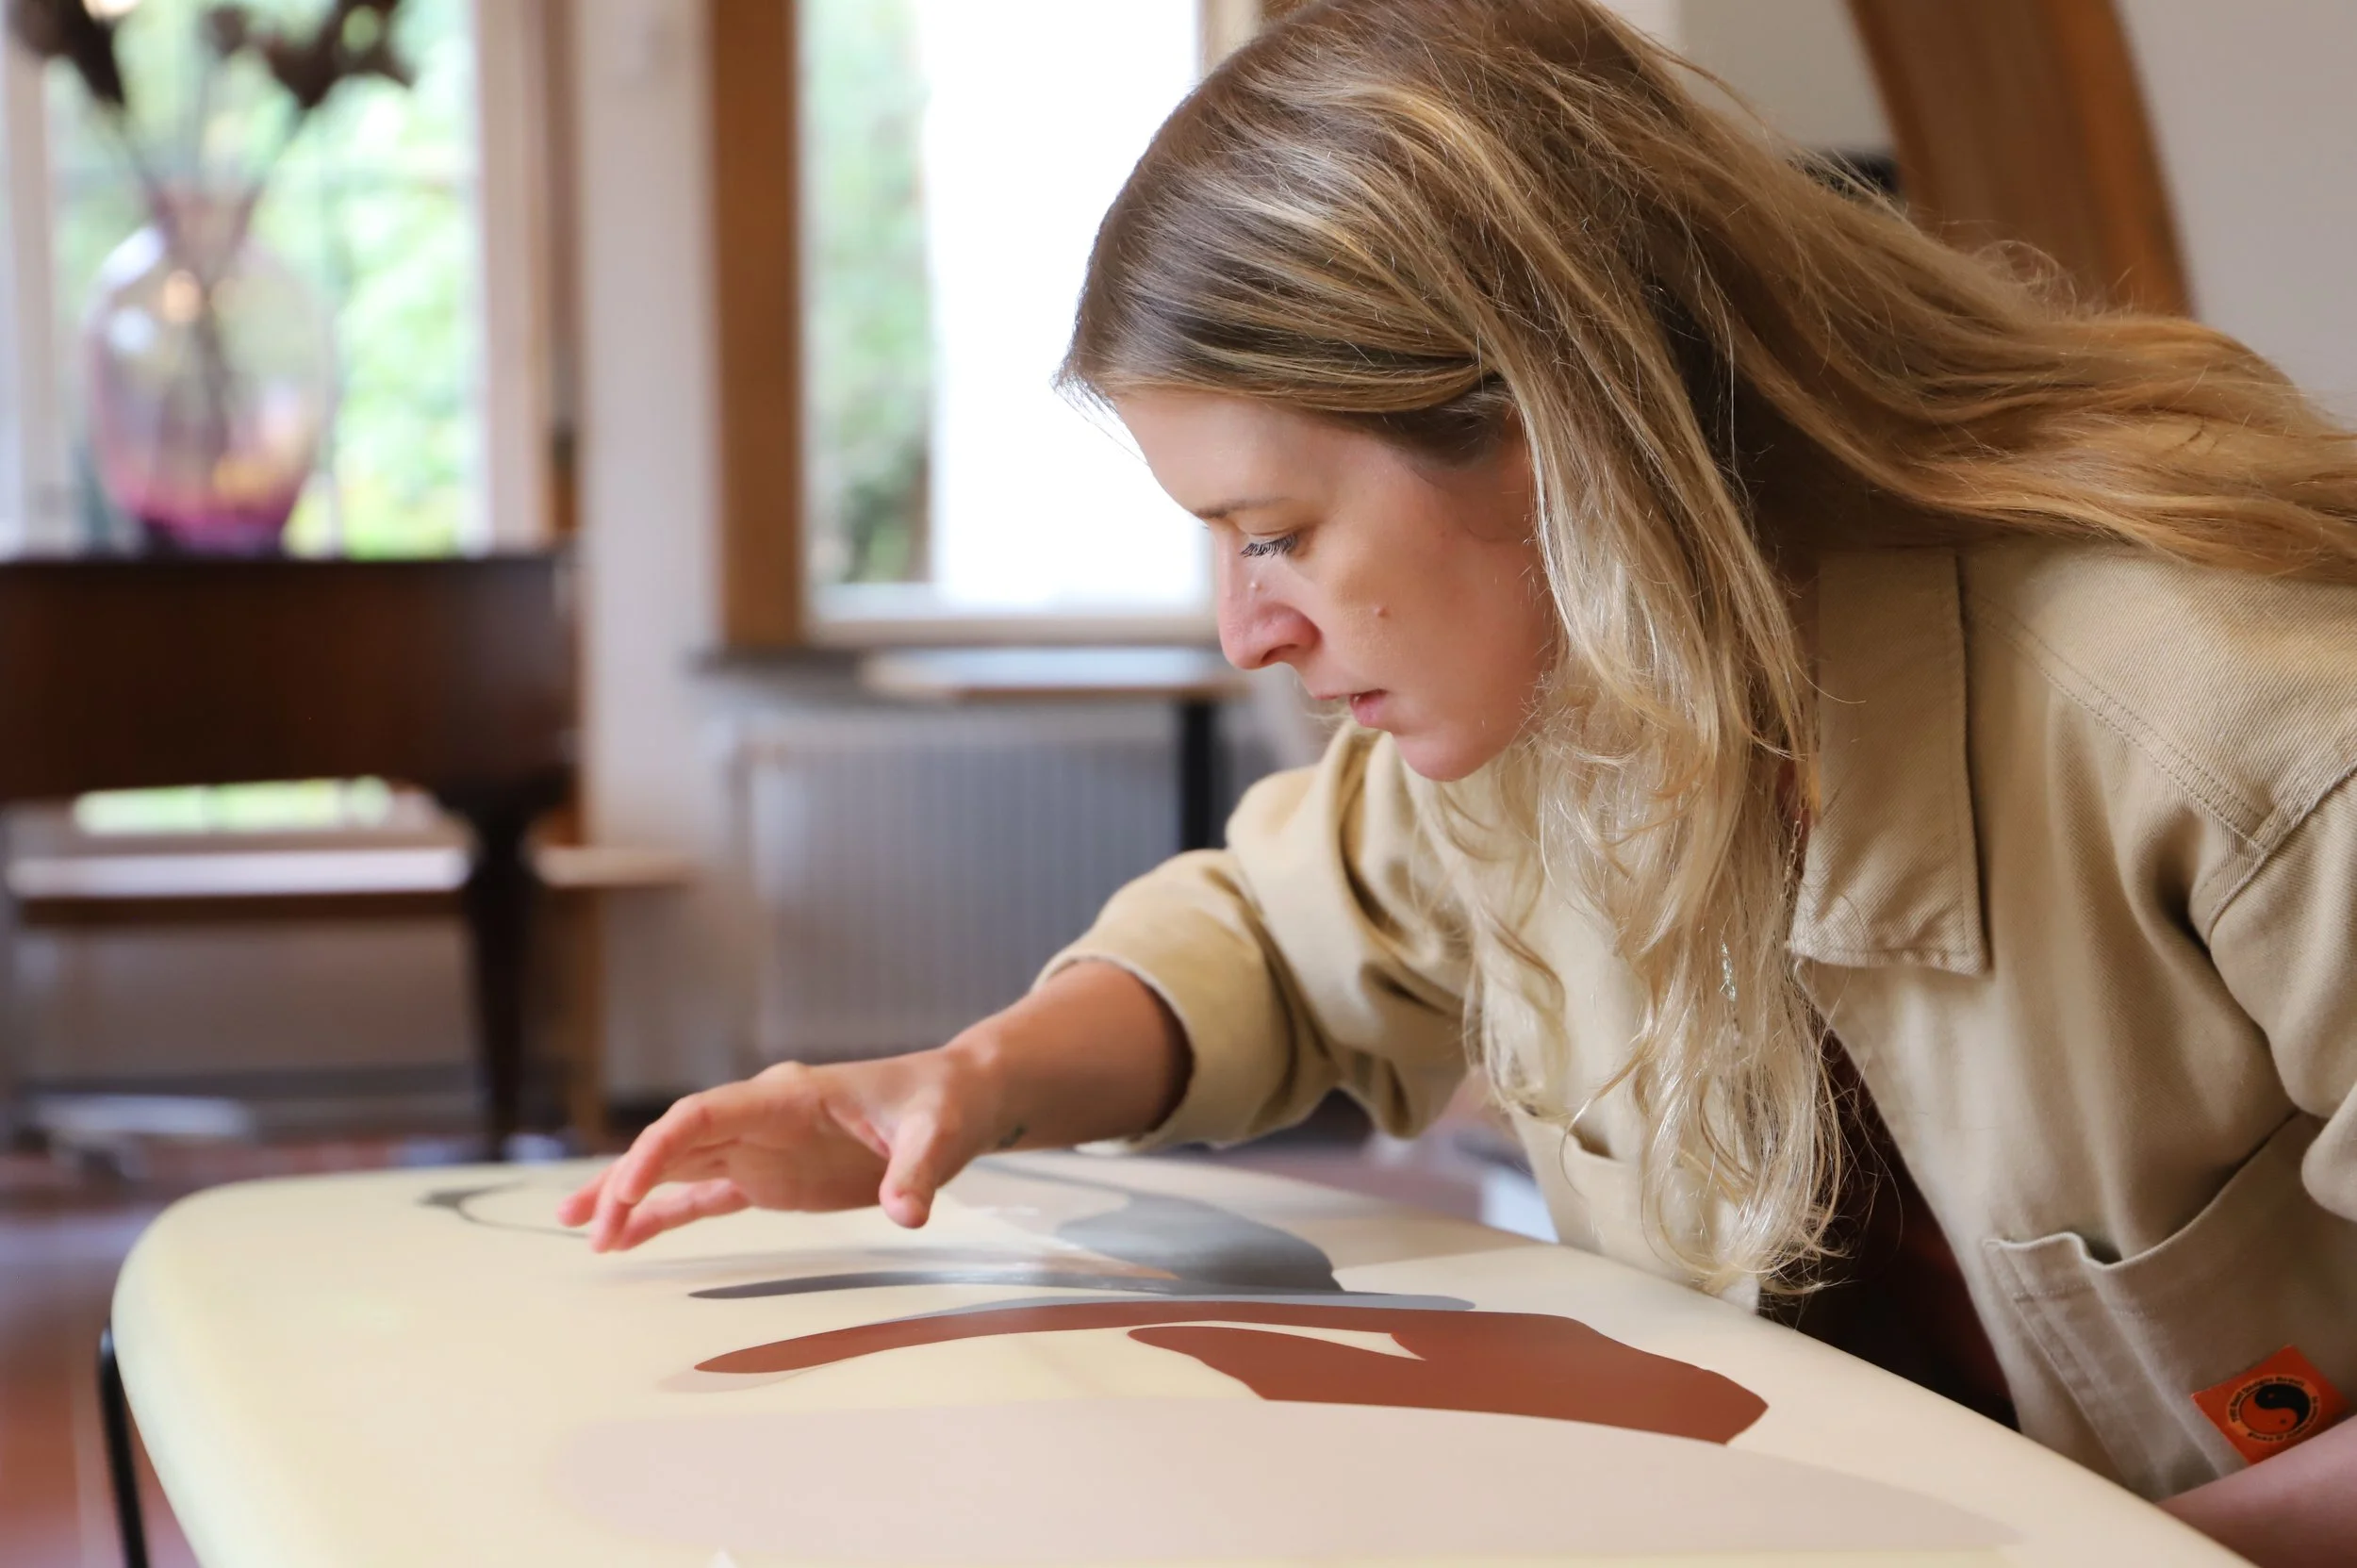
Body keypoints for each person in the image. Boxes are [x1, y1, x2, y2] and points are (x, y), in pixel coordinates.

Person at [562, 1, 2357, 1560]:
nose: (1243, 631)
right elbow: (1273, 939)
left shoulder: (2224, 719)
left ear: (1547, 426)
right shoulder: (1562, 701)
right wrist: (965, 1079)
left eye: (1274, 534)